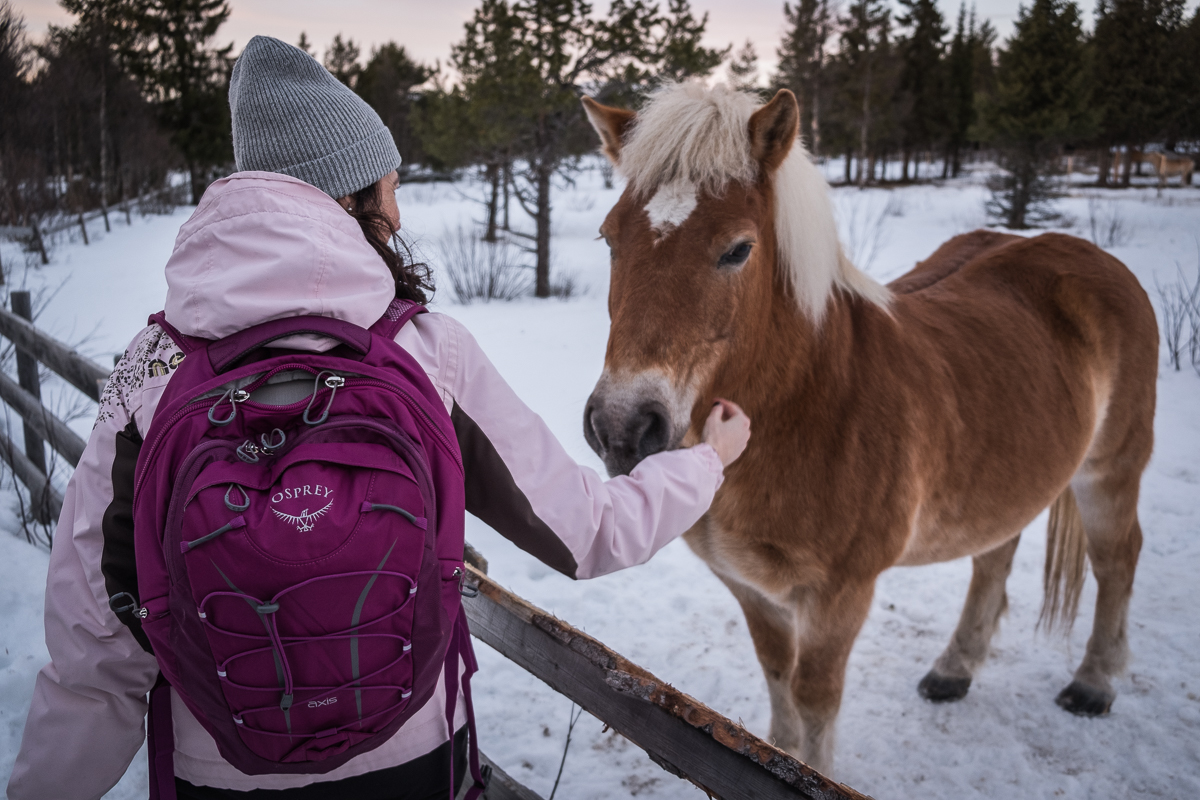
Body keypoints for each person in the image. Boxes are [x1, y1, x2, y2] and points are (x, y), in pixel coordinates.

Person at [6, 36, 750, 800]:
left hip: (222, 773)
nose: (397, 212)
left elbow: (95, 660)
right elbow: (591, 532)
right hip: (416, 762)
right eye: (388, 186)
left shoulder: (152, 368)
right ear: (348, 196)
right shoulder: (428, 353)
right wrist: (706, 459)